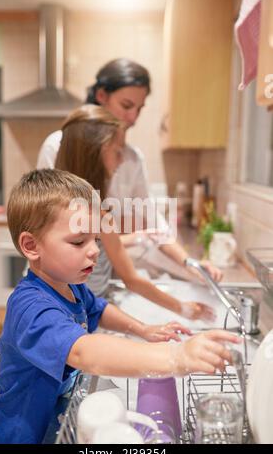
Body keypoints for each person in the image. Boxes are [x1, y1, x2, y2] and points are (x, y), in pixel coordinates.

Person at [0, 169, 239, 444]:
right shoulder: (31, 308)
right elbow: (83, 352)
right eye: (79, 241)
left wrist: (143, 329)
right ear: (31, 246)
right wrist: (176, 356)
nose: (94, 250)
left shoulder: (70, 285)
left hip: (53, 429)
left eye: (96, 239)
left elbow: (98, 309)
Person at [37, 58, 222, 284]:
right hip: (55, 281)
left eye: (139, 108)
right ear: (102, 96)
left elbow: (153, 223)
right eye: (126, 106)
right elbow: (49, 231)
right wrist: (130, 240)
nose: (133, 118)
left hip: (99, 278)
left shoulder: (132, 159)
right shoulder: (57, 147)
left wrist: (190, 263)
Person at [55, 104, 214, 322]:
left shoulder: (69, 205)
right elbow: (132, 279)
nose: (121, 160)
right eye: (117, 151)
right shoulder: (94, 212)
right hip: (72, 321)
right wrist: (184, 309)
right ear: (95, 153)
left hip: (78, 314)